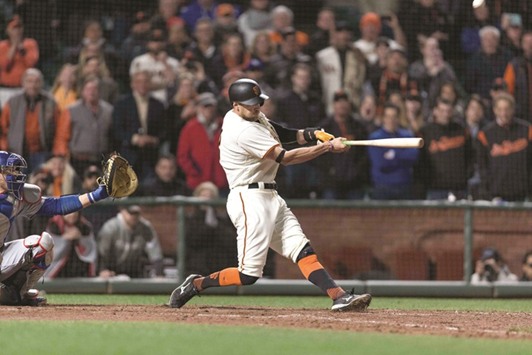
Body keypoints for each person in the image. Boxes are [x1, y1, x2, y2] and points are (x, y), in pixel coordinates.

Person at [168, 78, 372, 312]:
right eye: (250, 103)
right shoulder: (242, 129)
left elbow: (280, 132)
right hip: (249, 199)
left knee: (302, 249)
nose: (257, 107)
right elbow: (285, 157)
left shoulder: (250, 116)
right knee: (248, 275)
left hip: (271, 195)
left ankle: (339, 296)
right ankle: (196, 284)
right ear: (236, 106)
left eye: (257, 102)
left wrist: (314, 133)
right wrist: (327, 148)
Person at [0, 150, 114, 305]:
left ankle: (19, 294)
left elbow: (57, 205)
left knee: (42, 244)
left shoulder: (16, 197)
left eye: (16, 169)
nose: (16, 174)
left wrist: (96, 195)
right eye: (10, 170)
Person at [0, 68, 67, 173]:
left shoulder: (51, 103)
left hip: (43, 153)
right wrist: (5, 152)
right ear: (23, 83)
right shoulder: (12, 102)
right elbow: (3, 129)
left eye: (37, 81)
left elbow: (60, 130)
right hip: (16, 153)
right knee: (18, 186)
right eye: (29, 81)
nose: (33, 85)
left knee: (39, 185)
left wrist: (57, 154)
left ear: (42, 84)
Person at [476, 93, 532, 201]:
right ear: (494, 110)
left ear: (513, 109)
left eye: (507, 109)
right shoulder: (485, 134)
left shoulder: (527, 130)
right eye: (500, 109)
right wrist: (487, 193)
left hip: (524, 194)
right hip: (497, 195)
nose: (504, 113)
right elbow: (482, 167)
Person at [112, 71, 166, 182]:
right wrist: (134, 138)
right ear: (133, 84)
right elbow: (116, 130)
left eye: (146, 81)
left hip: (151, 157)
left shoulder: (158, 105)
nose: (142, 85)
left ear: (150, 84)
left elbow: (165, 130)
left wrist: (154, 139)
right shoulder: (122, 104)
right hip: (128, 156)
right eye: (139, 81)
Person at [317, 90, 370, 200]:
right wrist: (330, 170)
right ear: (333, 105)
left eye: (344, 101)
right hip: (331, 183)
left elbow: (364, 152)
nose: (342, 104)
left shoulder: (358, 127)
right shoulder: (324, 127)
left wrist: (357, 171)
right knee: (330, 215)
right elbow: (317, 154)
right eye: (338, 101)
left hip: (354, 183)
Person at [418, 98, 473, 200]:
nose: (445, 114)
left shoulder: (461, 131)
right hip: (435, 189)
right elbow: (421, 162)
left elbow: (470, 156)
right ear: (435, 111)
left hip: (460, 188)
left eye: (448, 111)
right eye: (442, 111)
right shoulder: (425, 132)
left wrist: (467, 175)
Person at [62, 76, 114, 178]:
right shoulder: (71, 110)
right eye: (88, 89)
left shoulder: (109, 110)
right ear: (82, 92)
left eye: (95, 89)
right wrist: (62, 157)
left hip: (101, 160)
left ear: (99, 92)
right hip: (78, 161)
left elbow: (112, 135)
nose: (92, 92)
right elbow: (63, 136)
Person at [177, 92, 228, 195]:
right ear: (199, 108)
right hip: (197, 184)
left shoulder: (225, 126)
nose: (209, 109)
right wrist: (194, 173)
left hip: (221, 183)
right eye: (206, 106)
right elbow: (183, 156)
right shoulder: (190, 128)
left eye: (211, 106)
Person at [367, 103, 419, 200]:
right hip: (382, 188)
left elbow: (413, 157)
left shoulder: (407, 136)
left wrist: (393, 154)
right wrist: (402, 154)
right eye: (388, 116)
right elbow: (381, 163)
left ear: (398, 118)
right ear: (383, 118)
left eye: (394, 117)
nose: (391, 120)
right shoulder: (375, 138)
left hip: (404, 187)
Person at [184, 181, 237, 276]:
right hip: (197, 260)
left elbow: (231, 241)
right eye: (204, 196)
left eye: (210, 197)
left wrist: (216, 225)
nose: (207, 200)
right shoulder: (191, 216)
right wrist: (208, 227)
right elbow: (192, 241)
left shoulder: (222, 216)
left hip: (219, 259)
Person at [97, 205, 164, 279]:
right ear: (122, 211)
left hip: (136, 272)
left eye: (136, 213)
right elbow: (102, 253)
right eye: (131, 213)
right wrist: (102, 270)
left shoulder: (145, 227)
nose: (134, 216)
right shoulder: (111, 227)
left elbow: (155, 253)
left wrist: (159, 273)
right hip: (112, 272)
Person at [315, 21, 367, 116]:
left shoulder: (358, 56)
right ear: (334, 35)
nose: (344, 36)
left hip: (353, 105)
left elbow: (363, 80)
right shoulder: (323, 56)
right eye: (340, 32)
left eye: (347, 33)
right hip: (329, 104)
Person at [44, 211, 97, 278]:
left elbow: (90, 250)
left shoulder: (85, 226)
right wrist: (65, 240)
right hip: (57, 273)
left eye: (75, 212)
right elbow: (51, 251)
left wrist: (79, 239)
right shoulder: (54, 224)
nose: (72, 215)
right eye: (69, 212)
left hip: (80, 270)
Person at [0, 15, 39, 107]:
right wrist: (14, 46)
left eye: (19, 28)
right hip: (5, 89)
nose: (17, 31)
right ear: (8, 31)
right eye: (14, 28)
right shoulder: (2, 46)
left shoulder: (30, 44)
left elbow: (31, 63)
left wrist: (21, 49)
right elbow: (4, 65)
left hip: (24, 89)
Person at [503, 31, 532, 123]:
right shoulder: (514, 65)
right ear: (521, 45)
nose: (530, 46)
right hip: (522, 113)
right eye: (526, 43)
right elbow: (507, 91)